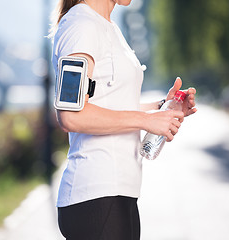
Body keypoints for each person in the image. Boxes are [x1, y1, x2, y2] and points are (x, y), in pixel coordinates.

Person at [50, 0, 197, 239]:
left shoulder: (108, 27)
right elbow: (70, 115)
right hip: (96, 193)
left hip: (119, 192)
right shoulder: (81, 25)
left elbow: (111, 105)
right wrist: (144, 120)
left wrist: (163, 108)